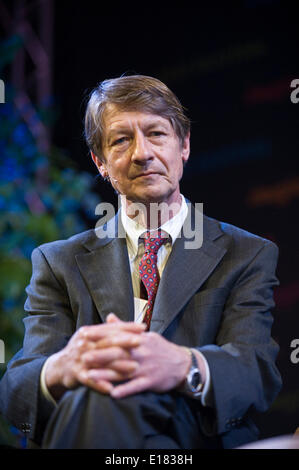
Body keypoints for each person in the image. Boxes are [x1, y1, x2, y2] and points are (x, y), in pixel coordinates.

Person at [0, 75, 281, 449]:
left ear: (184, 146)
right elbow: (16, 389)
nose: (142, 153)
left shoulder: (246, 254)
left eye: (156, 134)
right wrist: (63, 366)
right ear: (100, 162)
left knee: (99, 395)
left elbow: (256, 370)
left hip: (192, 436)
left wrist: (183, 365)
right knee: (98, 392)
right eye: (121, 140)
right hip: (99, 429)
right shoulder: (58, 263)